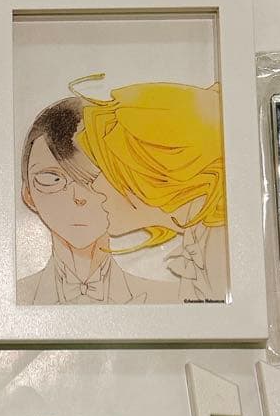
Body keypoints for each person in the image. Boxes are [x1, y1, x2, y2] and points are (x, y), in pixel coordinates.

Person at [73, 79, 229, 302]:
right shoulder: (202, 240)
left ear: (157, 168)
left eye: (107, 167)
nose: (96, 186)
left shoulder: (218, 250)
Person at [16, 98, 170, 304]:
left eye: (93, 178)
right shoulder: (12, 298)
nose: (77, 197)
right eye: (51, 179)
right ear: (28, 195)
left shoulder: (163, 297)